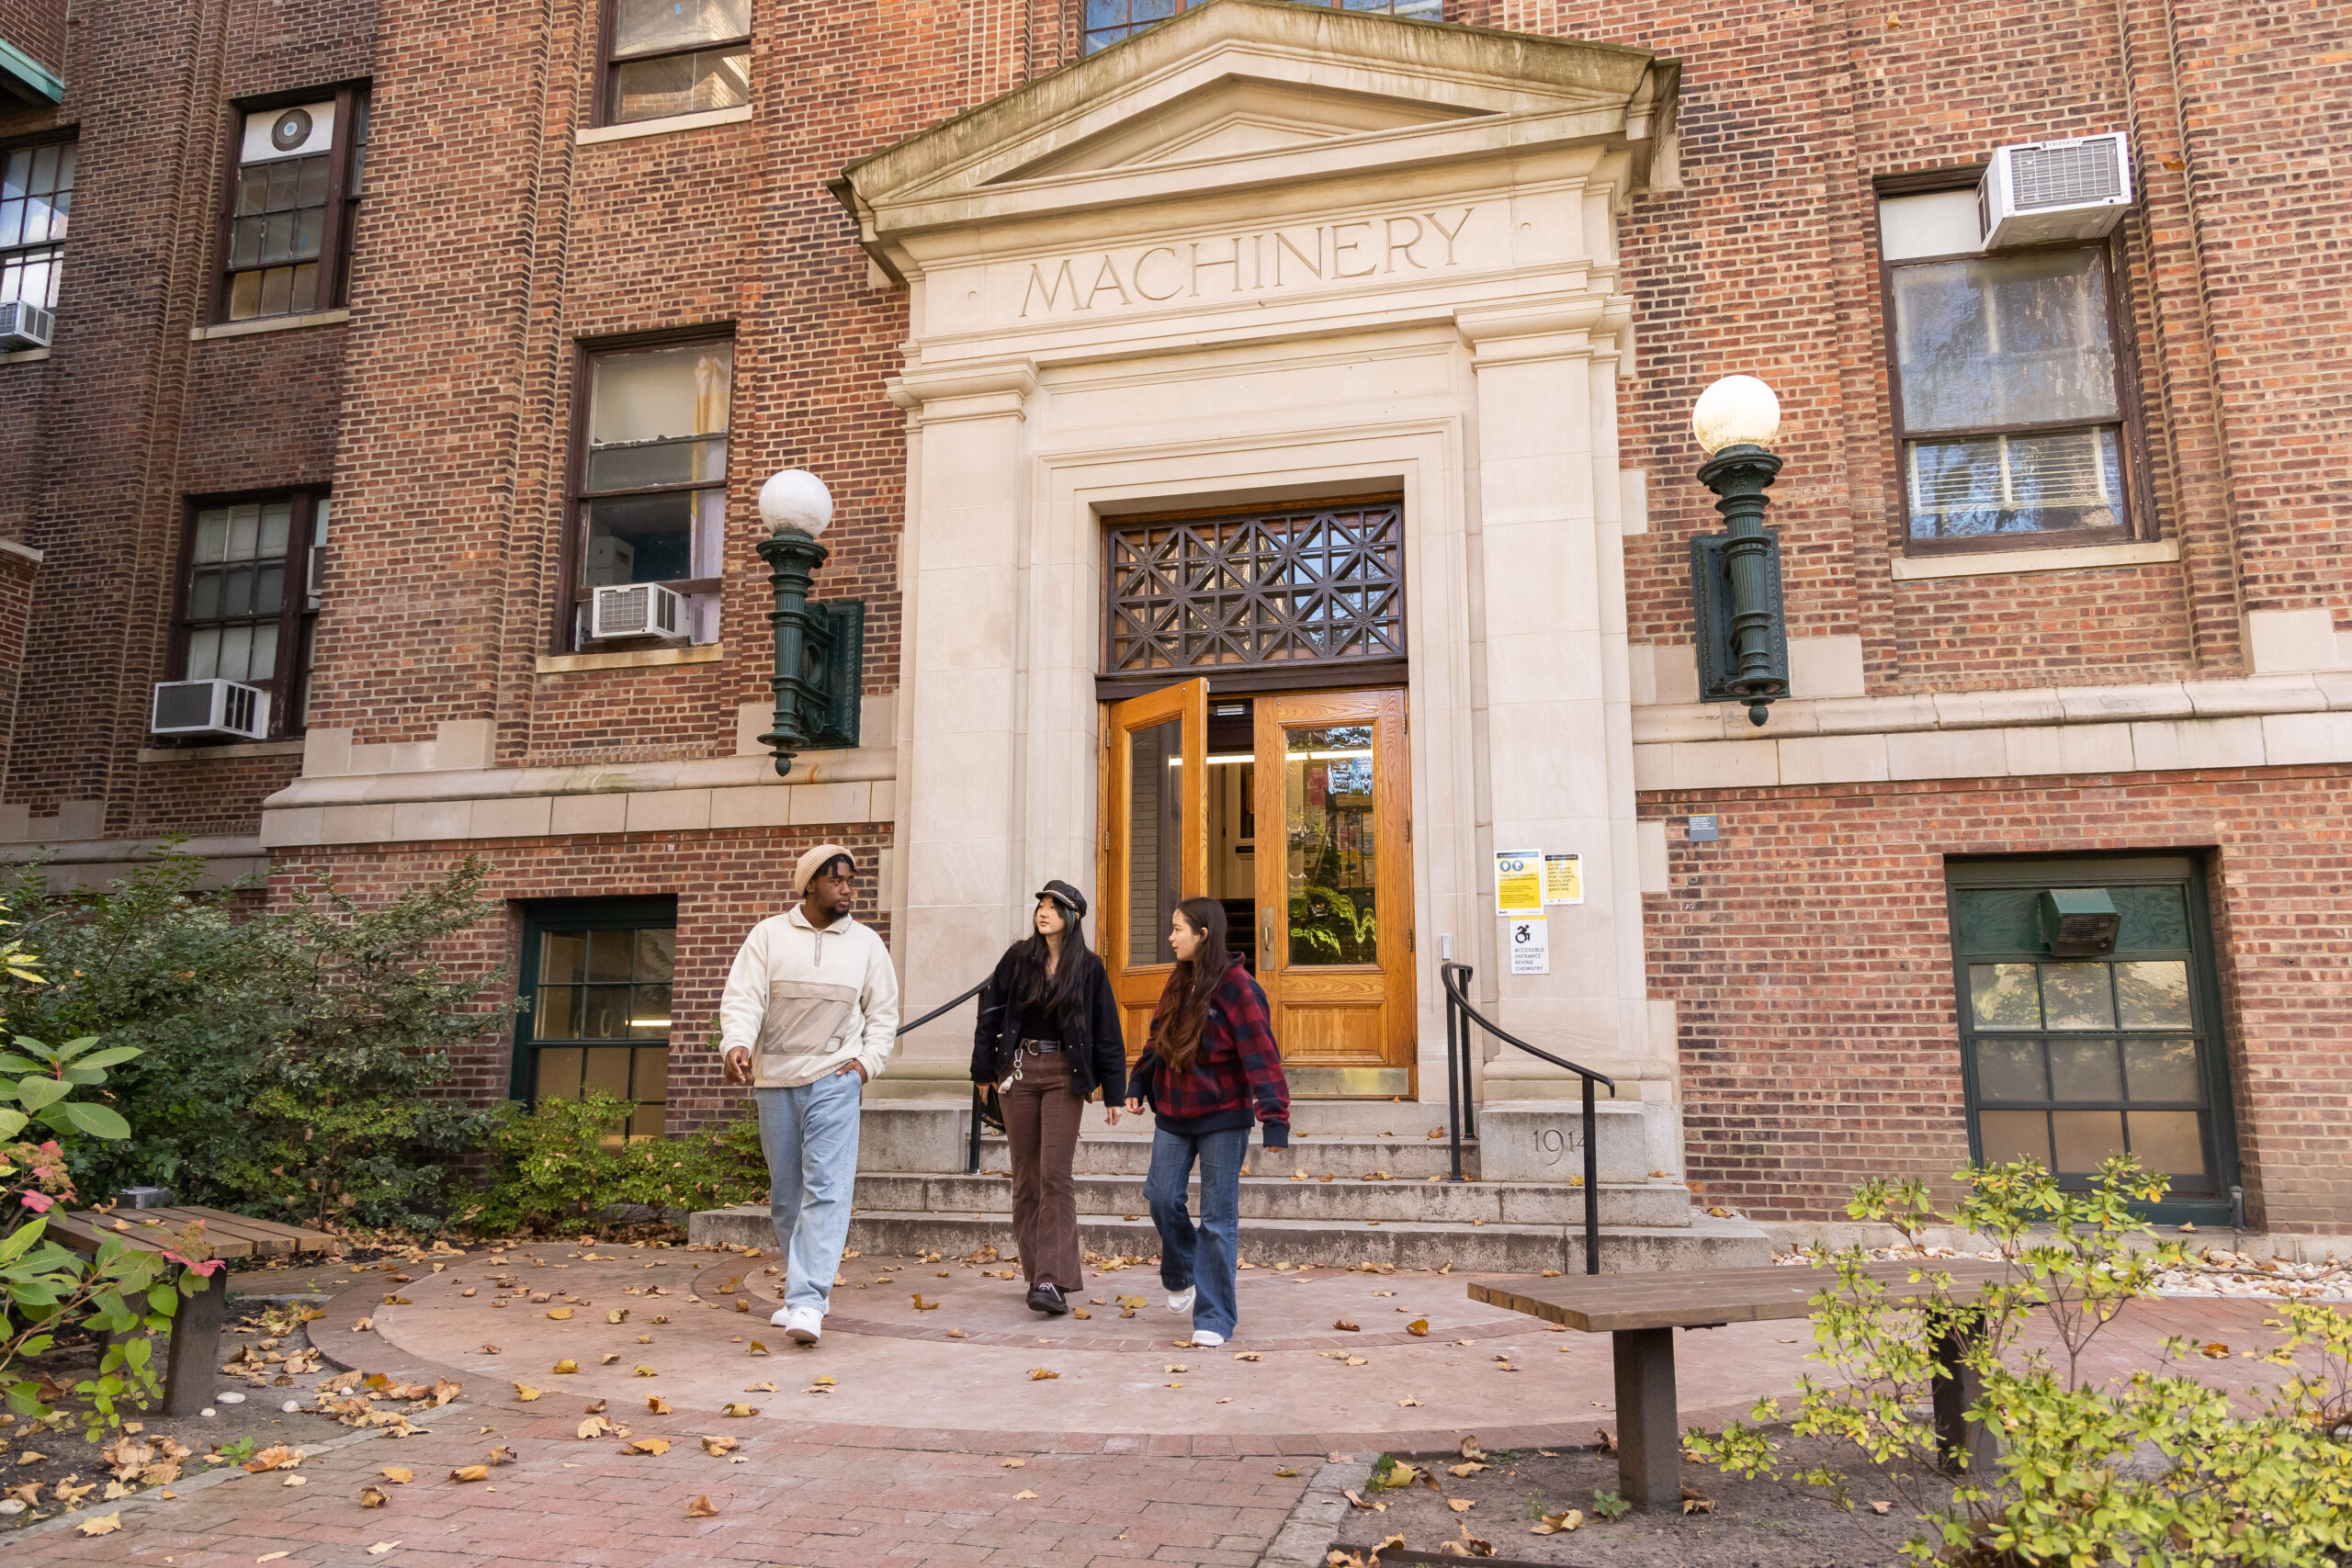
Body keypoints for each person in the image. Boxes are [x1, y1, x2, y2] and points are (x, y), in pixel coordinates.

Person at [719, 844, 899, 1347]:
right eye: (838, 880)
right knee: (786, 1196)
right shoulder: (769, 936)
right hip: (775, 1080)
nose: (848, 889)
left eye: (852, 881)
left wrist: (865, 1065)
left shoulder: (866, 944)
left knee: (827, 1188)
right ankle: (802, 1288)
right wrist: (736, 1042)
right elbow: (744, 998)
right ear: (810, 885)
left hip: (835, 1079)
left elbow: (883, 1013)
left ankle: (806, 1300)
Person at [1124, 897, 1289, 1349]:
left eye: (1178, 929)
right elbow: (1157, 1039)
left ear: (1204, 935)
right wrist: (1138, 1083)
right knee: (1160, 1196)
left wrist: (1274, 1119)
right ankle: (1182, 1269)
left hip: (1223, 1118)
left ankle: (1215, 1316)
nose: (1171, 937)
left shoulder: (1240, 989)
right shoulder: (1178, 982)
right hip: (1174, 1114)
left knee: (1218, 1218)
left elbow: (1263, 1058)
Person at [969, 879, 1126, 1316]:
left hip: (1064, 1075)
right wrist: (982, 1072)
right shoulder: (1018, 959)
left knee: (1055, 1176)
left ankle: (1049, 1281)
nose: (1043, 912)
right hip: (1018, 1073)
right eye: (1040, 904)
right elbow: (990, 1016)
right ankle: (1043, 1273)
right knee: (1025, 1179)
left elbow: (1108, 1033)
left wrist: (1115, 1092)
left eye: (1054, 907)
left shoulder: (1089, 968)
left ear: (1071, 918)